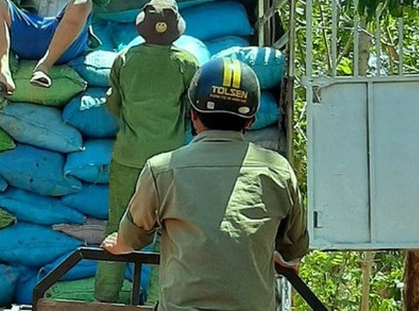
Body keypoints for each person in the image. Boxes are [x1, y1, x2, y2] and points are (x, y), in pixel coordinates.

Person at [101, 57, 310, 311]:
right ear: (250, 120)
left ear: (192, 115)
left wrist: (119, 243)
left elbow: (133, 238)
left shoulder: (162, 170)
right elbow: (293, 253)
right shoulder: (278, 171)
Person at [94, 0, 200, 304]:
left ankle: (104, 301)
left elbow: (113, 105)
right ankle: (156, 302)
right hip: (170, 163)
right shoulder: (187, 64)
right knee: (167, 234)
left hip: (128, 158)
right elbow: (193, 110)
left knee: (118, 231)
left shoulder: (125, 60)